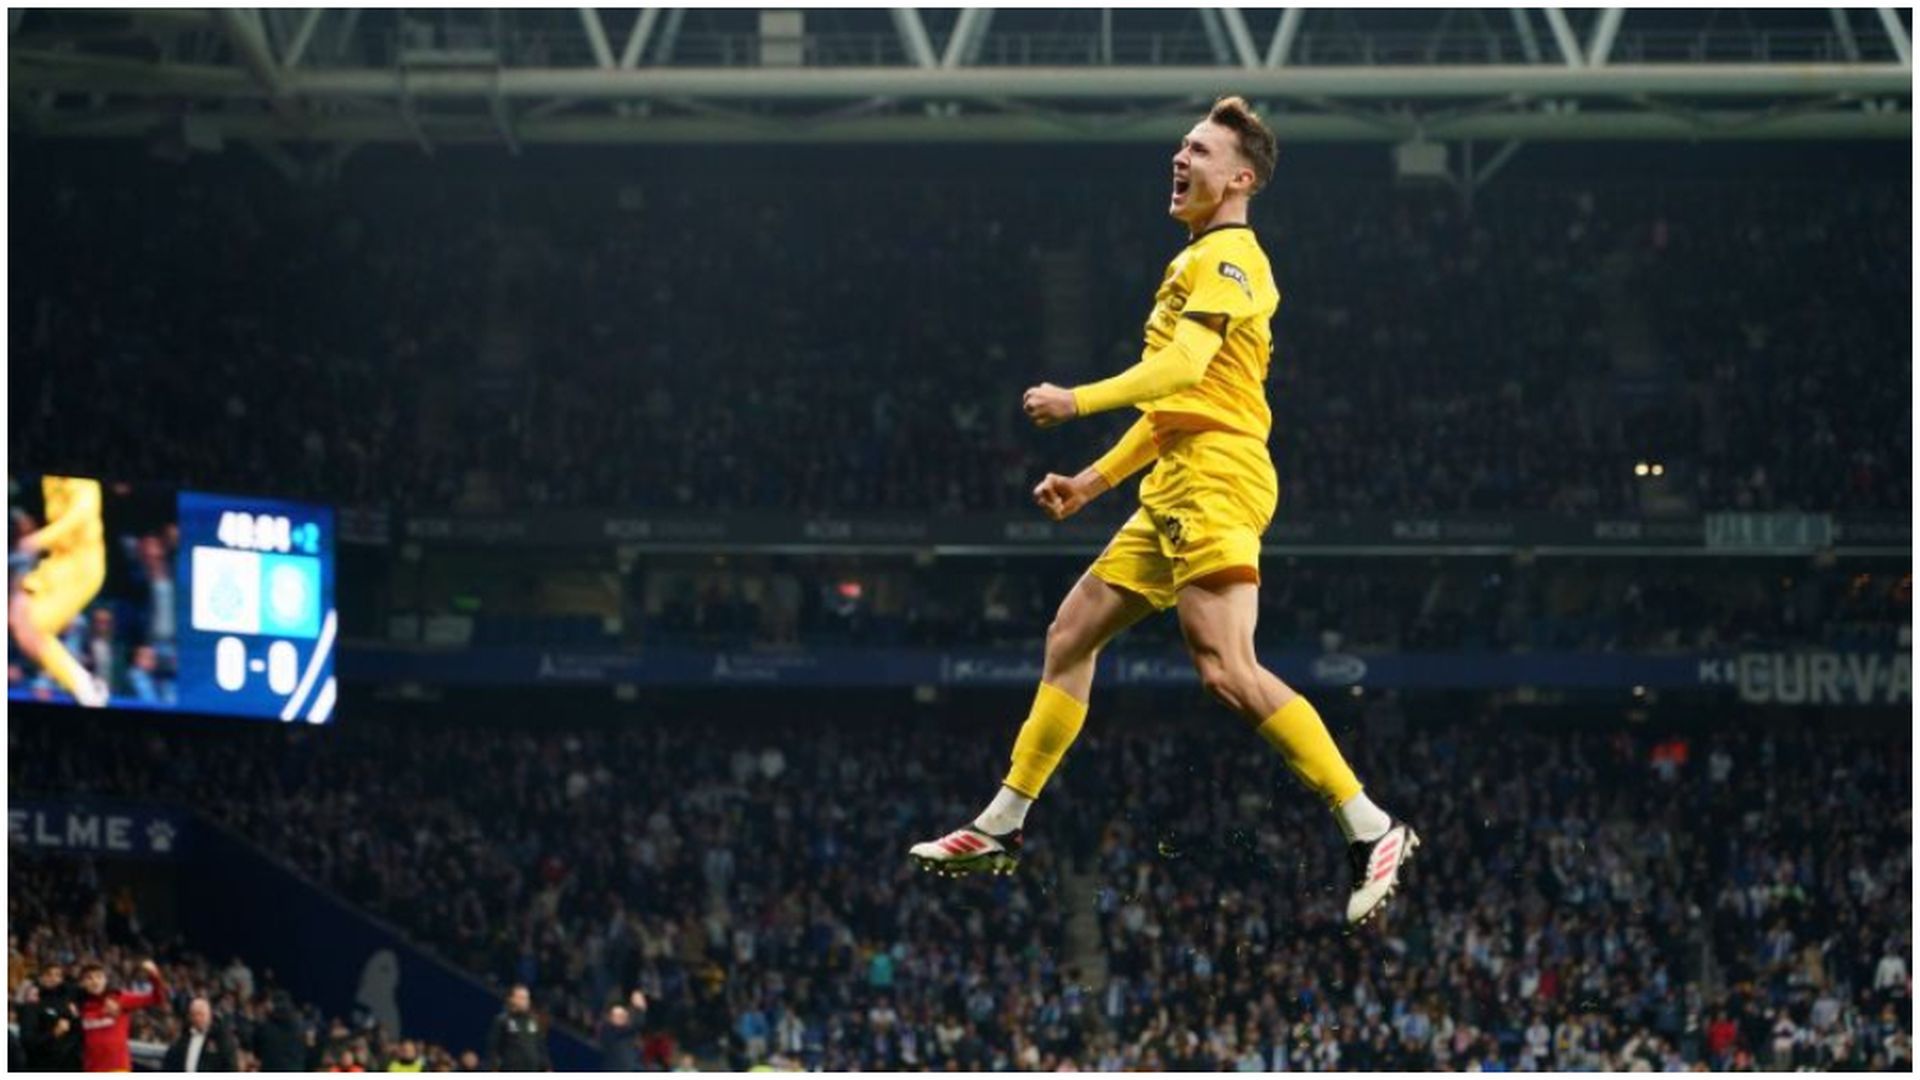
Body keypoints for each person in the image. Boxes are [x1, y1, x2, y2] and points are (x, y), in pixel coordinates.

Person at [908, 96, 1417, 926]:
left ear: (1241, 177)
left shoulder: (1230, 259)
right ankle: (1002, 821)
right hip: (1178, 477)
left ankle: (1371, 827)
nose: (1180, 160)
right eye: (1180, 147)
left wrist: (1077, 400)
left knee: (1227, 671)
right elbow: (1176, 409)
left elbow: (1181, 368)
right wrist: (1090, 483)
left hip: (1218, 479)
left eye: (1200, 151)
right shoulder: (1195, 261)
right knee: (1070, 634)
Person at [8, 475, 109, 706]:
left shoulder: (86, 484)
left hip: (84, 568)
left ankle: (86, 687)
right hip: (57, 563)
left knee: (32, 625)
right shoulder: (49, 480)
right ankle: (83, 682)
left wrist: (37, 540)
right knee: (16, 615)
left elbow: (78, 518)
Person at [76, 958, 168, 1072]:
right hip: (91, 1069)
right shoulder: (79, 1005)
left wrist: (154, 975)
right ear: (83, 983)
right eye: (89, 978)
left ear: (105, 979)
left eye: (99, 976)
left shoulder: (120, 998)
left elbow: (157, 999)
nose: (95, 981)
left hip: (118, 1068)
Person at [22, 961, 84, 1070]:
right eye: (49, 974)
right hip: (43, 1066)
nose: (53, 978)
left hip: (71, 1065)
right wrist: (54, 1033)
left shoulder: (70, 1002)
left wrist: (76, 1018)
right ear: (41, 978)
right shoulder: (32, 1004)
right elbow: (28, 1041)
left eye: (57, 975)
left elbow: (77, 1032)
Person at [162, 996, 239, 1072]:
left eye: (201, 1014)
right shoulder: (184, 1037)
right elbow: (170, 1062)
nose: (197, 1018)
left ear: (209, 1015)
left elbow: (230, 1066)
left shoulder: (221, 1037)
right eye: (194, 1014)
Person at [484, 984, 551, 1071]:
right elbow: (493, 1048)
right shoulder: (502, 1020)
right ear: (511, 999)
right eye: (521, 998)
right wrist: (493, 1068)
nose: (525, 1001)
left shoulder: (533, 1021)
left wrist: (547, 1067)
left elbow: (540, 1047)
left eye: (527, 998)